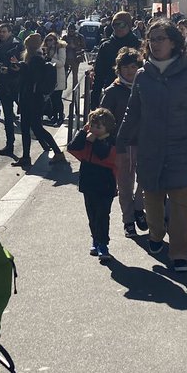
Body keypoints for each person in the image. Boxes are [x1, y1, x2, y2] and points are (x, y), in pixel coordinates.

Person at [117, 19, 187, 274]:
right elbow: (132, 112)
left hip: (182, 149)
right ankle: (157, 235)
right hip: (150, 150)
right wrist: (120, 140)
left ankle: (180, 253)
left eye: (161, 38)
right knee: (153, 202)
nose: (156, 43)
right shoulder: (142, 75)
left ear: (174, 42)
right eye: (152, 38)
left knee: (181, 204)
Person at [101, 46, 147, 236]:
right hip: (123, 144)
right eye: (126, 67)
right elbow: (103, 117)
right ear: (119, 69)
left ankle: (139, 208)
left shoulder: (145, 86)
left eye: (134, 66)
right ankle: (128, 220)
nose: (130, 70)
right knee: (125, 184)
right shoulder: (113, 91)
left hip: (145, 141)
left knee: (145, 180)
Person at [67, 108, 118, 262]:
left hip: (105, 185)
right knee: (92, 214)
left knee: (103, 214)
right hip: (88, 183)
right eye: (92, 126)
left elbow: (104, 155)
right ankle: (95, 239)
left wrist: (94, 140)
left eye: (98, 127)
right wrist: (83, 132)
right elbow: (72, 147)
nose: (94, 130)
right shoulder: (87, 138)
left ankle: (103, 243)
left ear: (106, 129)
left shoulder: (110, 141)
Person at [12, 33, 66, 170]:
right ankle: (26, 157)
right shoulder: (35, 57)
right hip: (29, 97)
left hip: (33, 98)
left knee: (36, 127)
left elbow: (32, 77)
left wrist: (21, 68)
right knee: (26, 127)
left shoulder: (36, 59)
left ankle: (58, 152)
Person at [89, 11, 140, 107]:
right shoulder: (106, 46)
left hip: (136, 93)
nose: (118, 28)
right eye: (114, 25)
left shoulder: (138, 45)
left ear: (129, 26)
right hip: (111, 94)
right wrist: (94, 101)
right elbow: (99, 75)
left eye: (121, 25)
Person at [0, 24, 23, 157]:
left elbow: (22, 65)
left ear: (10, 32)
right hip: (4, 86)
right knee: (8, 117)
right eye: (0, 32)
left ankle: (43, 142)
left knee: (28, 117)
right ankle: (9, 145)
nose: (1, 34)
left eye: (4, 32)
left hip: (17, 86)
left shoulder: (17, 45)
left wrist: (9, 70)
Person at [42, 31, 67, 125]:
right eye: (47, 40)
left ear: (55, 40)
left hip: (58, 77)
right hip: (49, 78)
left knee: (57, 99)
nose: (49, 42)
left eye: (51, 40)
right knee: (52, 99)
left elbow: (61, 63)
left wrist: (50, 59)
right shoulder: (46, 49)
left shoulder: (60, 48)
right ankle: (54, 116)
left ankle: (60, 117)